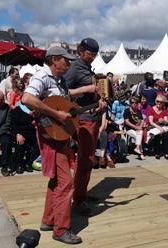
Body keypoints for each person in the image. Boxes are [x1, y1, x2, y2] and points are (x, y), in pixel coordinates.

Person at [22, 46, 97, 244]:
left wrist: (93, 104)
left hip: (60, 135)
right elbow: (27, 98)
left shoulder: (60, 81)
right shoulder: (42, 76)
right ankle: (61, 230)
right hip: (50, 135)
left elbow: (66, 104)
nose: (69, 64)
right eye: (66, 60)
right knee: (65, 184)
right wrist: (55, 114)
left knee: (56, 180)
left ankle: (49, 220)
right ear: (54, 59)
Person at [63, 38, 106, 216]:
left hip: (92, 117)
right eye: (90, 54)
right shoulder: (74, 68)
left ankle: (82, 193)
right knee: (85, 159)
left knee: (88, 159)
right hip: (82, 119)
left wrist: (100, 102)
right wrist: (87, 89)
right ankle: (78, 200)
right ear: (81, 51)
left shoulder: (87, 69)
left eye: (95, 54)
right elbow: (62, 92)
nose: (93, 57)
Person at [147, 94, 168, 159]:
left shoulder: (165, 110)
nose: (159, 103)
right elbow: (151, 122)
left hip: (162, 127)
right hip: (153, 127)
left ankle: (166, 152)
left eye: (161, 102)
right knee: (157, 135)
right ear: (155, 101)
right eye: (157, 101)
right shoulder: (151, 109)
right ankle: (157, 152)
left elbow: (166, 121)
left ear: (163, 103)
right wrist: (159, 127)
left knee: (166, 134)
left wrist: (163, 121)